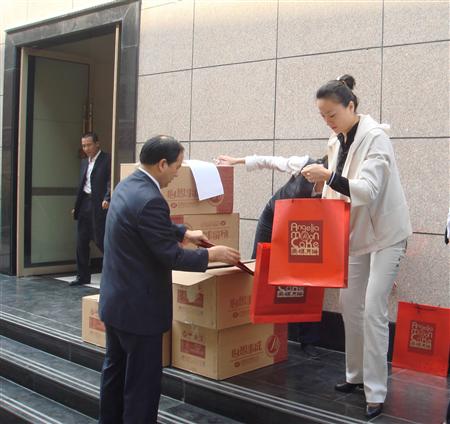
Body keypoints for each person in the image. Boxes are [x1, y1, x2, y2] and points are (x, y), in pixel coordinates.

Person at [98, 135, 241, 424]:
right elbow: (171, 257)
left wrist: (183, 232)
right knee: (142, 385)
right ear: (162, 164)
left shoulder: (127, 185)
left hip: (115, 303)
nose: (177, 174)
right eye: (177, 166)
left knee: (115, 371)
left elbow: (141, 224)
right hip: (140, 311)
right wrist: (213, 255)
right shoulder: (151, 199)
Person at [301, 75, 411, 418]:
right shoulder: (337, 140)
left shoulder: (376, 137)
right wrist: (321, 186)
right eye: (323, 115)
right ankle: (356, 375)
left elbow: (368, 189)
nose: (328, 121)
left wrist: (328, 177)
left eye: (332, 114)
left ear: (351, 106)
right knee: (350, 303)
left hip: (388, 234)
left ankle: (375, 392)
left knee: (375, 307)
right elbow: (336, 191)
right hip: (358, 233)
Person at [216, 153, 326, 357]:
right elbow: (269, 161)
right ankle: (246, 323)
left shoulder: (337, 185)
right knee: (258, 269)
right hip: (273, 218)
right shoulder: (305, 164)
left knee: (309, 279)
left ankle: (308, 341)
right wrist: (236, 161)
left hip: (304, 229)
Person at [71, 132, 111, 286]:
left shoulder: (107, 159)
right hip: (84, 204)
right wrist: (77, 207)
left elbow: (111, 180)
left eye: (89, 145)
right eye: (83, 145)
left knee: (100, 239)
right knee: (81, 242)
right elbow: (82, 185)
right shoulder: (84, 162)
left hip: (99, 204)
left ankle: (114, 273)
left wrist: (107, 197)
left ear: (97, 144)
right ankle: (82, 276)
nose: (86, 148)